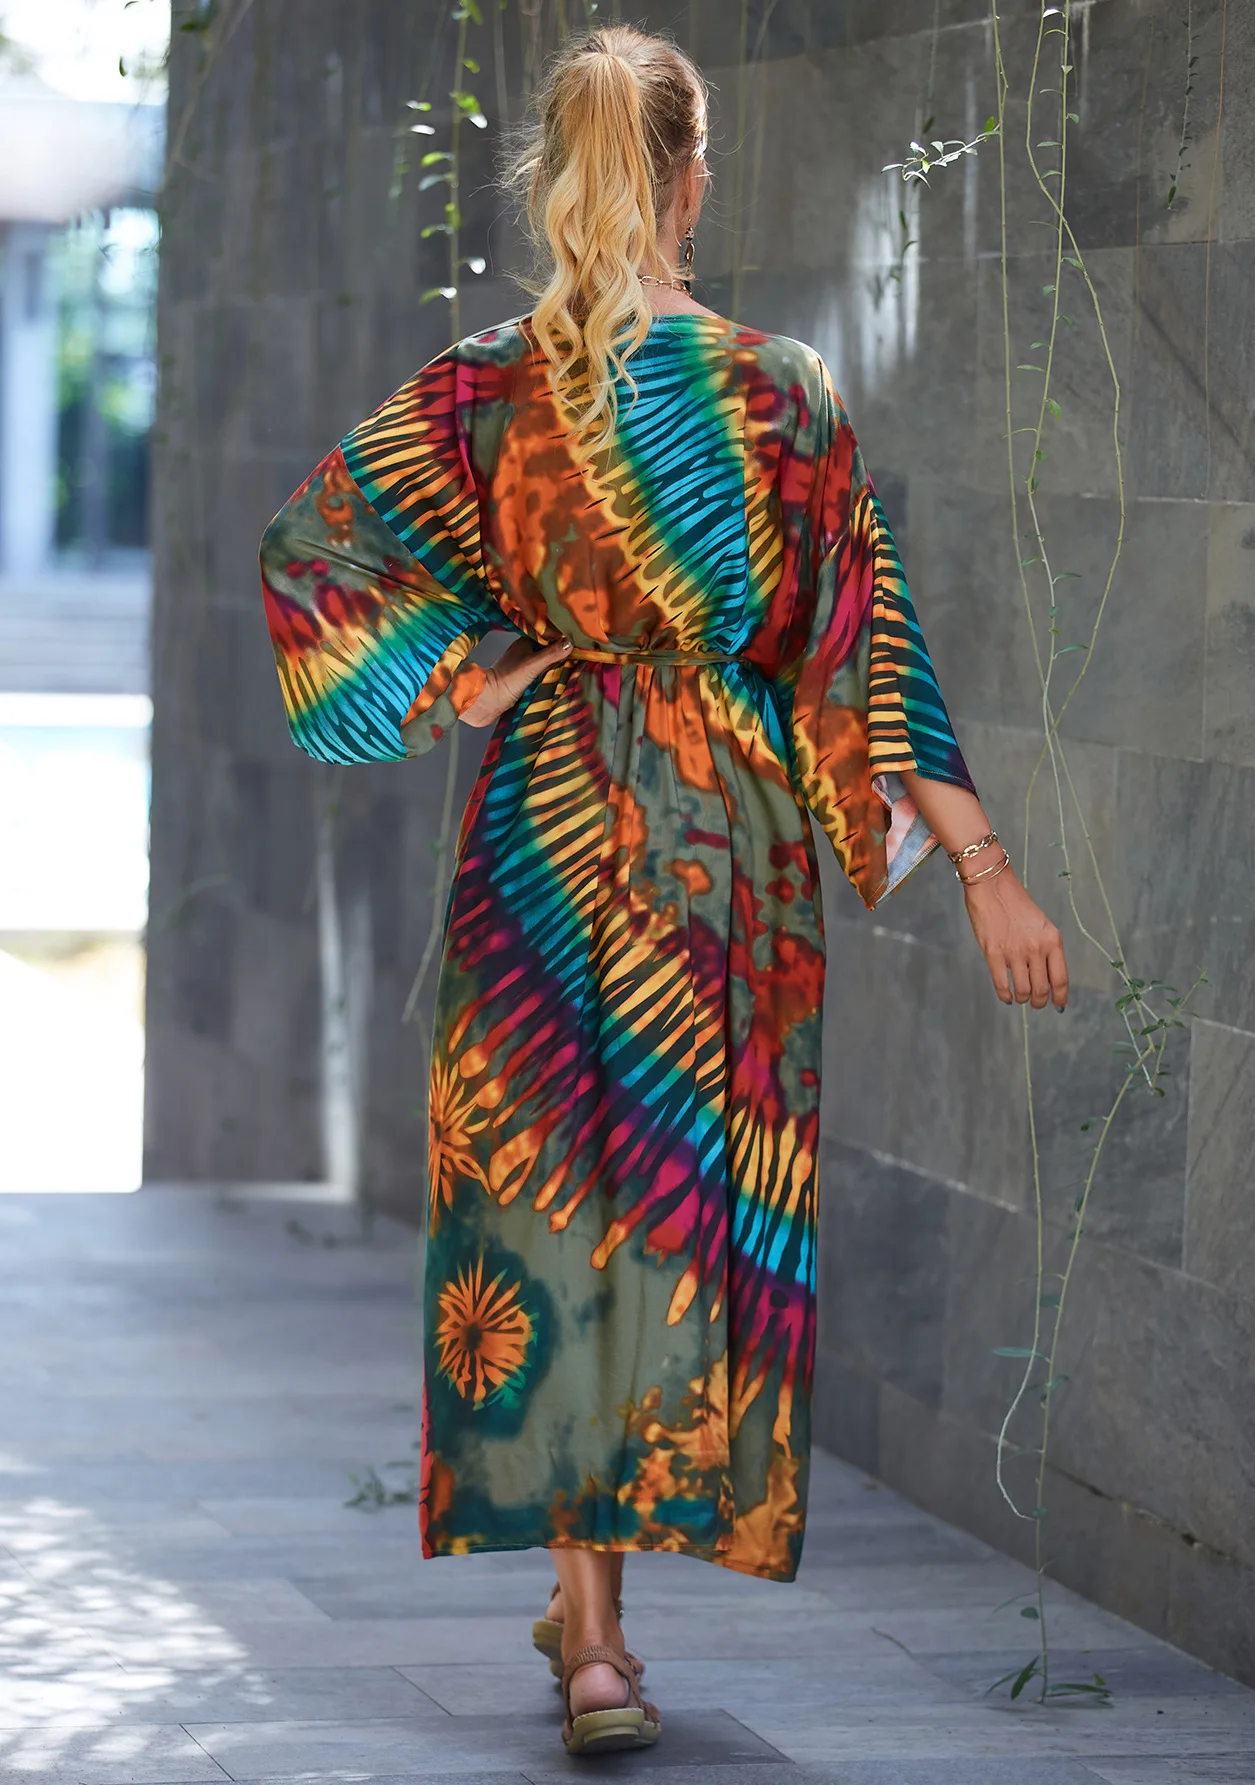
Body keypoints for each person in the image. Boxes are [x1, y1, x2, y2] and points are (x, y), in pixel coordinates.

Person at [258, 22, 1068, 1760]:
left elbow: (314, 543)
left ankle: (588, 1616)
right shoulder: (781, 389)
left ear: (559, 175)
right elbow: (871, 651)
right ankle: (605, 1638)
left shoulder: (481, 386)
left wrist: (474, 673)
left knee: (557, 1204)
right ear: (694, 174)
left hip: (547, 841)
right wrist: (987, 872)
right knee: (667, 1221)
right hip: (729, 857)